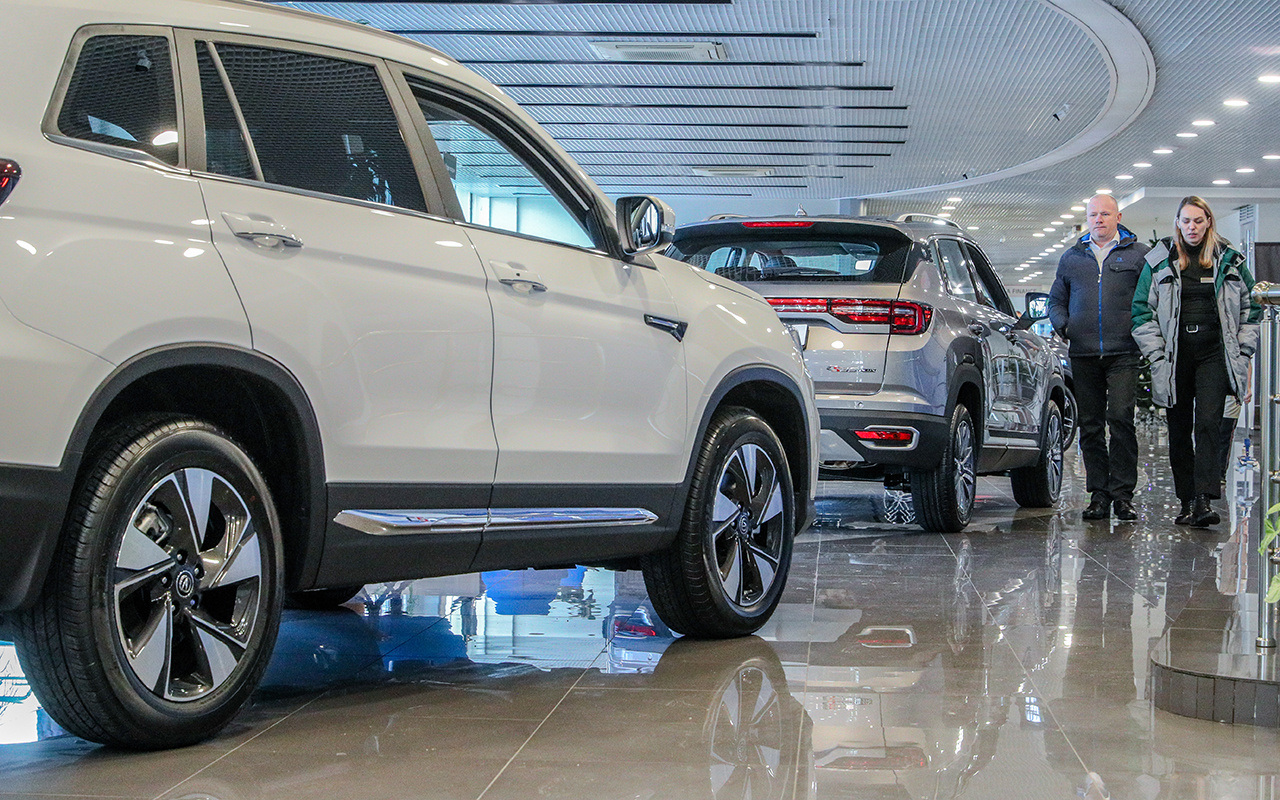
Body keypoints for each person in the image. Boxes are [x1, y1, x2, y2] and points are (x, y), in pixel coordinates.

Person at [1131, 196, 1261, 527]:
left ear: (1208, 222)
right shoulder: (1160, 260)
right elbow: (1141, 311)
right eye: (1186, 221)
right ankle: (1186, 500)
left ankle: (1204, 499)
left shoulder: (1228, 259)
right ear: (1178, 223)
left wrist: (1243, 353)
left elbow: (1252, 308)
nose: (1192, 227)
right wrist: (1156, 354)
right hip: (1174, 357)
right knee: (1179, 429)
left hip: (1214, 354)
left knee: (1208, 423)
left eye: (1198, 221)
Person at [1048, 194, 1149, 521]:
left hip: (1124, 352)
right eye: (1093, 215)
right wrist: (1064, 325)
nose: (1099, 220)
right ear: (1087, 219)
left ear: (1118, 217)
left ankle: (1123, 495)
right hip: (1084, 352)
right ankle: (1099, 495)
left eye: (1105, 214)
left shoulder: (1138, 255)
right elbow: (1055, 301)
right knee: (1090, 426)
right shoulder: (1071, 258)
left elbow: (1150, 298)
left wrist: (1142, 331)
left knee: (1120, 418)